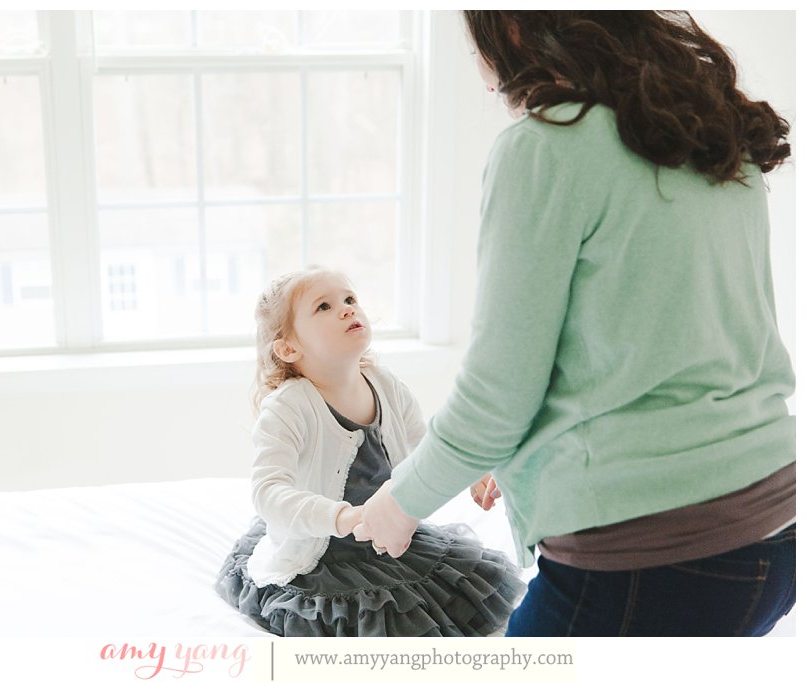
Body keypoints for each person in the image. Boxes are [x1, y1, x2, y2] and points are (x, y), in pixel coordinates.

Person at [354, 10, 795, 636]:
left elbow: (495, 402)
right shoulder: (705, 128)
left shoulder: (545, 146)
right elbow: (665, 348)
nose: (478, 66)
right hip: (773, 531)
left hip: (650, 555)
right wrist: (533, 462)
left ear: (512, 30)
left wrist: (397, 504)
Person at [215, 266, 525, 636]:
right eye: (324, 307)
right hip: (323, 554)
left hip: (389, 536)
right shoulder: (288, 407)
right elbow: (268, 493)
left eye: (349, 299)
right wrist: (344, 517)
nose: (347, 309)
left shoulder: (384, 384)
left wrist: (471, 473)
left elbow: (424, 450)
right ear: (288, 347)